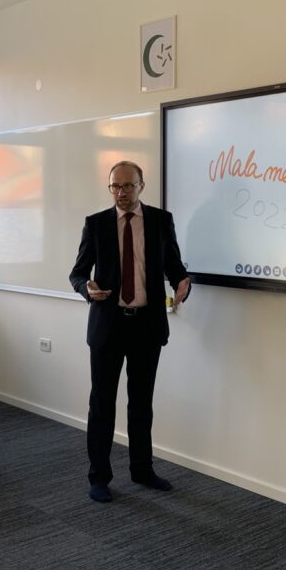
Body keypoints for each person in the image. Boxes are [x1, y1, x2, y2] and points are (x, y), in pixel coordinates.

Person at [69, 161, 191, 503]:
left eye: (127, 186)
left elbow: (174, 266)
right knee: (102, 403)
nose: (121, 192)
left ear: (141, 185)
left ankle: (142, 469)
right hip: (108, 325)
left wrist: (183, 283)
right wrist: (85, 287)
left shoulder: (160, 221)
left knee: (141, 403)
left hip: (146, 326)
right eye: (115, 186)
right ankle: (99, 477)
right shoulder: (96, 224)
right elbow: (78, 272)